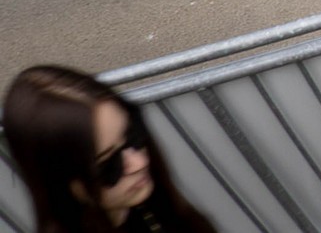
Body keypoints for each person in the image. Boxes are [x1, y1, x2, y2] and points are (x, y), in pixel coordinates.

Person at [3, 65, 221, 233]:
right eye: (108, 164)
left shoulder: (151, 208)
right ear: (57, 180)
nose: (139, 162)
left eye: (133, 136)